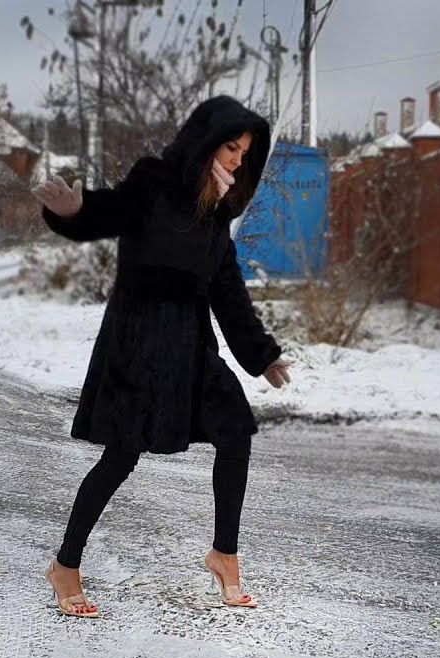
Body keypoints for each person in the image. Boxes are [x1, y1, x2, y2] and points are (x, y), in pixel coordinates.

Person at [32, 96, 292, 618]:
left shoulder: (216, 216)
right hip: (139, 343)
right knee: (121, 456)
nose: (238, 159)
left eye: (245, 152)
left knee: (235, 430)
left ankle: (224, 554)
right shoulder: (154, 183)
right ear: (206, 140)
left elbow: (228, 293)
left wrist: (262, 355)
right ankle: (65, 564)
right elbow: (110, 210)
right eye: (231, 146)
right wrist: (73, 212)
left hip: (192, 346)